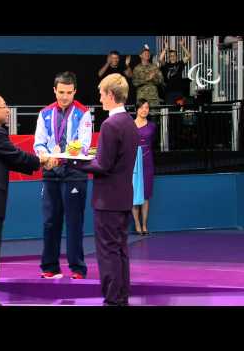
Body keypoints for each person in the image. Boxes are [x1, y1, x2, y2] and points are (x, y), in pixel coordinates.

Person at [0, 92, 54, 306]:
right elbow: (17, 157)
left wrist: (38, 162)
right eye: (4, 106)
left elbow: (11, 161)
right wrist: (42, 160)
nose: (7, 109)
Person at [69, 73, 139, 306]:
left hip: (107, 201)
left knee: (108, 253)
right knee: (119, 251)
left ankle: (112, 300)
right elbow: (111, 160)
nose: (99, 98)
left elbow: (103, 165)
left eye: (101, 94)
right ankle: (120, 298)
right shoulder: (129, 122)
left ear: (110, 95)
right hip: (123, 198)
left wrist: (75, 161)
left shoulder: (110, 124)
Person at [33, 71, 92, 280]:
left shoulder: (83, 113)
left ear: (75, 91)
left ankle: (77, 268)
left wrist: (68, 152)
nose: (64, 96)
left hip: (74, 172)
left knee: (74, 222)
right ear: (54, 90)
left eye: (68, 92)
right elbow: (38, 143)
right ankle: (50, 266)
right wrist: (45, 155)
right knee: (50, 221)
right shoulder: (45, 113)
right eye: (61, 92)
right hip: (50, 171)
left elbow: (85, 145)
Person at [131, 99, 156, 236]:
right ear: (137, 109)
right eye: (141, 107)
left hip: (147, 161)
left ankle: (145, 225)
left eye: (146, 107)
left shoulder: (152, 126)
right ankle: (137, 224)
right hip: (134, 162)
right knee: (135, 194)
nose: (144, 110)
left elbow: (151, 142)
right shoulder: (130, 125)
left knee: (145, 195)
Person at [96, 51, 132, 130]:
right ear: (109, 58)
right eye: (113, 58)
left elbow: (130, 75)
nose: (115, 60)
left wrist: (127, 65)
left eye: (116, 58)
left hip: (118, 99)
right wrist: (107, 63)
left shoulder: (121, 68)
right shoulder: (106, 68)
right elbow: (99, 74)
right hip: (108, 99)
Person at [159, 40, 191, 105]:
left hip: (179, 92)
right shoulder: (166, 65)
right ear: (169, 57)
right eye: (171, 56)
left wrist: (182, 46)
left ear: (176, 57)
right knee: (170, 112)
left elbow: (189, 56)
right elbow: (160, 59)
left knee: (179, 112)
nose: (172, 57)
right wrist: (165, 48)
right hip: (169, 93)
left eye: (174, 55)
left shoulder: (180, 64)